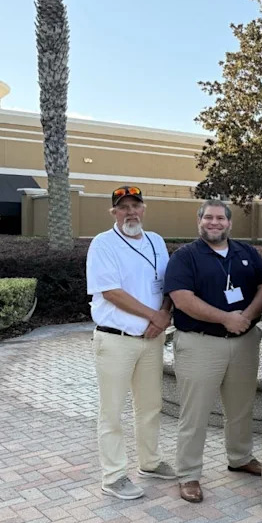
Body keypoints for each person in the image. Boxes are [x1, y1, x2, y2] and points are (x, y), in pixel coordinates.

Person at [165, 200, 262, 504]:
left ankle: (240, 457)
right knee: (195, 412)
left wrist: (246, 317)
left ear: (229, 223)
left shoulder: (246, 252)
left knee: (241, 407)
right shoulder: (185, 256)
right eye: (208, 218)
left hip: (244, 341)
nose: (214, 223)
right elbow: (182, 299)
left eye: (220, 218)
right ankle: (188, 474)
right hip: (200, 343)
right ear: (199, 222)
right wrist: (226, 318)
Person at [86, 185, 175, 499]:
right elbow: (111, 292)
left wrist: (164, 315)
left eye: (135, 206)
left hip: (152, 339)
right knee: (112, 411)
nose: (130, 212)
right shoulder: (103, 243)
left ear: (143, 209)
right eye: (123, 207)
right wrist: (155, 316)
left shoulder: (156, 241)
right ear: (114, 212)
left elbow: (167, 284)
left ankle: (150, 462)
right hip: (116, 340)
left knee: (150, 406)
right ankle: (113, 476)